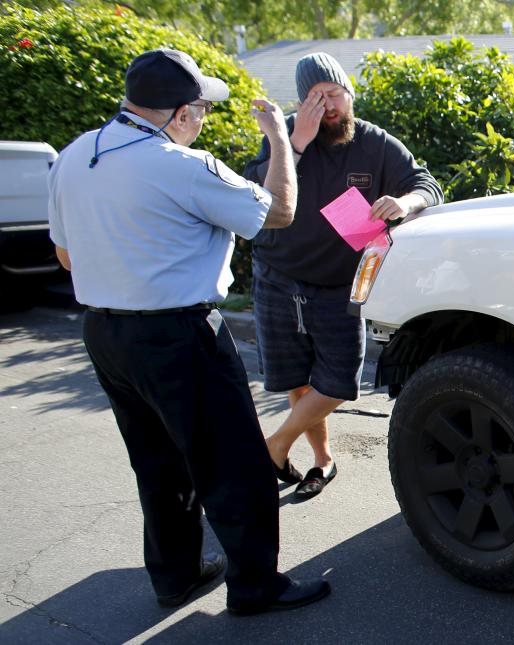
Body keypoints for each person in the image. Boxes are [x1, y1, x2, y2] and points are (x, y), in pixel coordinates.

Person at [47, 48, 330, 615]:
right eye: (200, 108)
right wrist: (280, 140)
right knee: (234, 463)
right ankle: (255, 586)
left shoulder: (77, 154)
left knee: (156, 462)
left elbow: (66, 257)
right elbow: (277, 212)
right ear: (178, 114)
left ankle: (175, 576)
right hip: (178, 333)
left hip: (106, 332)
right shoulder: (181, 164)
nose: (202, 119)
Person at [242, 52, 443, 500]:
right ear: (301, 102)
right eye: (315, 99)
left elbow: (427, 184)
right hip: (279, 276)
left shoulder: (373, 143)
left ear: (349, 93)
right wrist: (294, 143)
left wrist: (404, 203)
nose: (327, 106)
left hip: (339, 282)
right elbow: (254, 191)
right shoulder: (288, 137)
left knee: (336, 381)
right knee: (297, 379)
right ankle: (323, 461)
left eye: (333, 95)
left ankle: (274, 445)